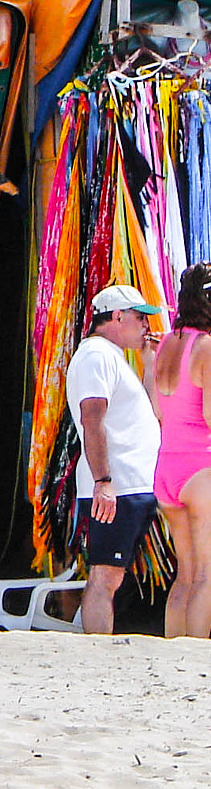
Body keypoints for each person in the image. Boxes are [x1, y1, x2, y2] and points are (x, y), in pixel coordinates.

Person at [66, 283, 165, 635]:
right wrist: (103, 482)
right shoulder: (96, 355)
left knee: (114, 574)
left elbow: (153, 414)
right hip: (117, 486)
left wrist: (149, 364)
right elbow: (92, 419)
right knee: (105, 574)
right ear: (118, 316)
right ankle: (95, 650)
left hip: (132, 483)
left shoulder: (113, 358)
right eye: (140, 318)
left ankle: (97, 644)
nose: (145, 327)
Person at [152, 264, 211, 639]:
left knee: (184, 575)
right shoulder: (206, 346)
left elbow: (158, 411)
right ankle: (197, 658)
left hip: (166, 465)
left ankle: (172, 655)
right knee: (208, 572)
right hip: (200, 465)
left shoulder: (167, 345)